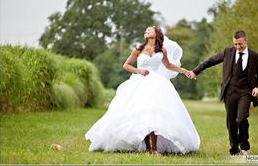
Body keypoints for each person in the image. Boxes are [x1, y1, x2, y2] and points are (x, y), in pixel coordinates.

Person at [85, 26, 200, 155]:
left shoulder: (162, 50)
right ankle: (147, 147)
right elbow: (126, 65)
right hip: (139, 82)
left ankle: (154, 149)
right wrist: (139, 70)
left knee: (153, 112)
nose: (146, 31)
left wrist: (185, 71)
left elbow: (169, 65)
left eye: (149, 30)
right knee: (142, 113)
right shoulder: (138, 49)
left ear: (156, 34)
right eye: (145, 30)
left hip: (157, 84)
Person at [187, 30, 258, 156]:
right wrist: (196, 71)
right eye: (235, 44)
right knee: (231, 121)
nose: (238, 47)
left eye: (240, 44)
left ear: (246, 41)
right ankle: (234, 149)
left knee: (241, 119)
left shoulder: (255, 56)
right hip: (230, 91)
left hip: (246, 92)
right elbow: (211, 61)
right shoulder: (228, 51)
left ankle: (244, 146)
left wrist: (257, 87)